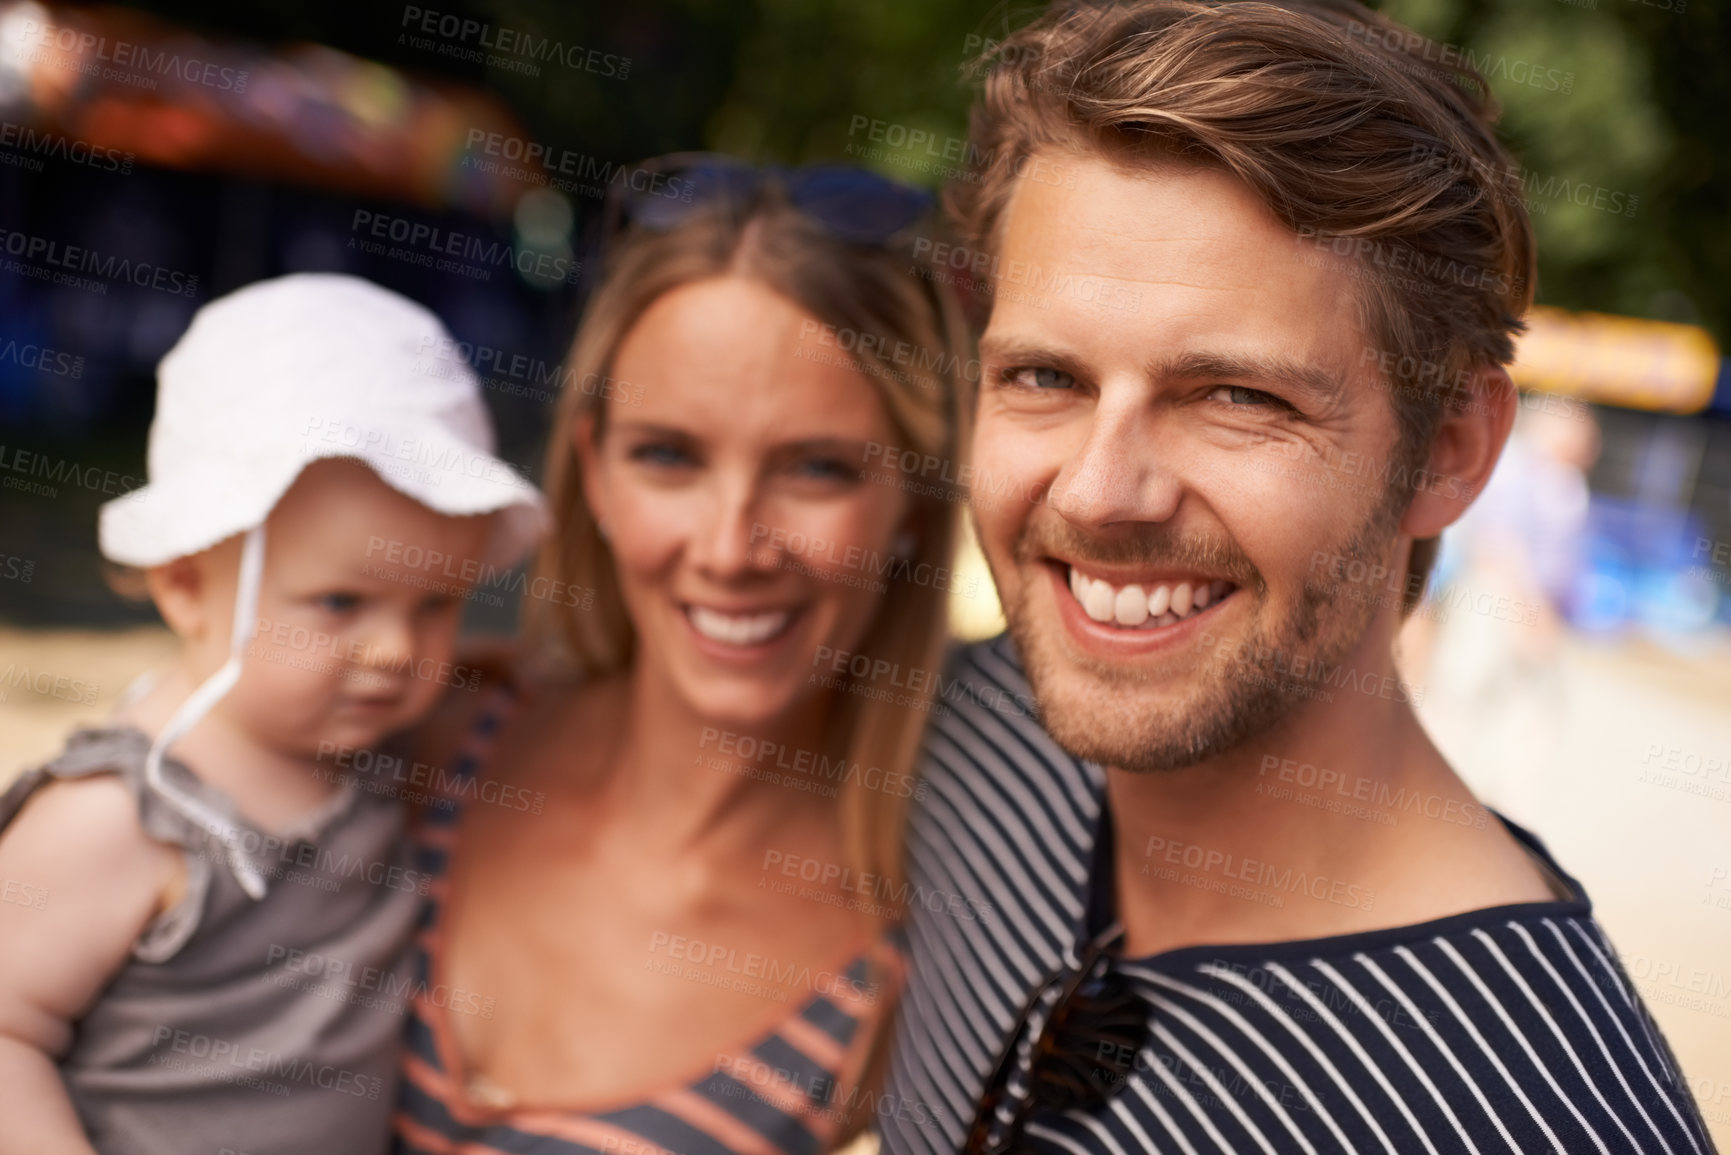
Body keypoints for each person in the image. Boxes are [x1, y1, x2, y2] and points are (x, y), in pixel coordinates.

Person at [877, 3, 1714, 1153]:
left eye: (1239, 397)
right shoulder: (975, 741)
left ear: (1453, 447)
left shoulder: (1531, 1114)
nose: (1097, 493)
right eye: (1044, 376)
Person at [391, 157, 970, 1154]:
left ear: (911, 506)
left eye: (818, 468)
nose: (730, 546)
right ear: (596, 473)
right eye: (669, 455)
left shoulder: (914, 972)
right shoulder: (423, 745)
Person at [0, 274, 547, 1155]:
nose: (394, 650)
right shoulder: (121, 818)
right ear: (183, 583)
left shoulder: (378, 755)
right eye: (339, 602)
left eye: (436, 603)